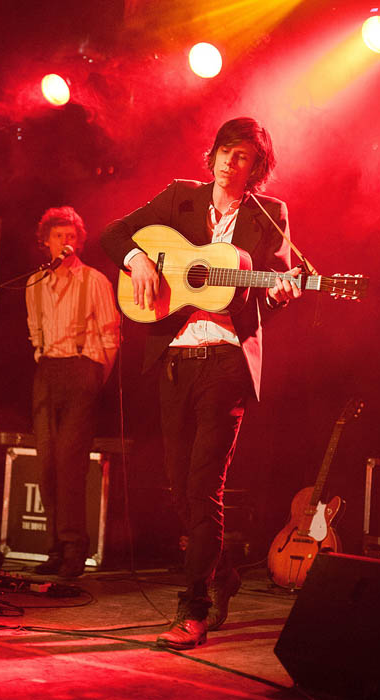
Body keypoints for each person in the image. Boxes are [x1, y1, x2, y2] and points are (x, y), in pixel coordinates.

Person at [100, 116, 302, 648]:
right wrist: (138, 259)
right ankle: (226, 572)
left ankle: (194, 607)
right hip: (175, 360)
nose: (231, 165)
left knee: (202, 486)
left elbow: (272, 292)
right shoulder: (179, 199)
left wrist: (278, 295)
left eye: (244, 158)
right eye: (225, 153)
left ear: (257, 168)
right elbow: (112, 234)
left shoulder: (269, 214)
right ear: (210, 154)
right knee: (178, 488)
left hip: (227, 362)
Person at [26, 205, 120, 579]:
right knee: (46, 463)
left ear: (79, 241)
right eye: (58, 236)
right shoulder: (34, 283)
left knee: (70, 464)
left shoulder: (95, 281)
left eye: (71, 236)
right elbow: (35, 331)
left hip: (83, 370)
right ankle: (52, 548)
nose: (65, 242)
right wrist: (43, 358)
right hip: (48, 371)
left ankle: (73, 550)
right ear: (45, 242)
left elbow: (112, 336)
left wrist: (94, 380)